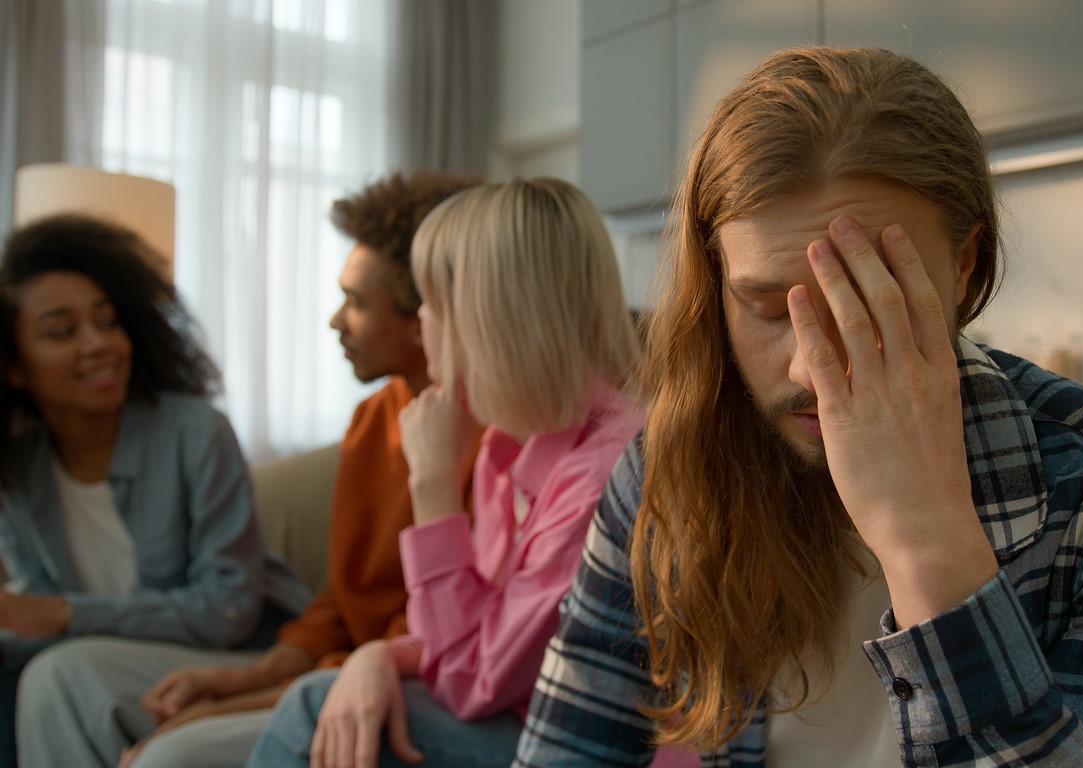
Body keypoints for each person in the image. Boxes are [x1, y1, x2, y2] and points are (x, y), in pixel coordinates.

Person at [513, 46, 1083, 767]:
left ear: (965, 261)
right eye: (765, 308)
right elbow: (565, 748)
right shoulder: (662, 471)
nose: (809, 369)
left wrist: (925, 539)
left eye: (864, 303)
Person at [15, 172, 484, 768]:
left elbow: (429, 631)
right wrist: (259, 677)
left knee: (169, 756)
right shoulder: (373, 420)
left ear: (425, 317)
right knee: (53, 676)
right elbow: (341, 600)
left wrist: (249, 696)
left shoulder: (486, 436)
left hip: (389, 680)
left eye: (357, 302)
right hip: (322, 666)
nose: (335, 321)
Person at [245, 177, 646, 768]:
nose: (420, 322)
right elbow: (473, 636)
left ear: (483, 320)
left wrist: (431, 486)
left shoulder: (605, 476)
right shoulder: (506, 445)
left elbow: (471, 679)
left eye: (429, 303)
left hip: (592, 747)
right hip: (514, 713)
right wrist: (379, 657)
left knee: (311, 710)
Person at [0, 213, 310, 768]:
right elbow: (34, 621)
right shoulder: (17, 472)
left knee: (57, 674)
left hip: (246, 656)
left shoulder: (195, 433)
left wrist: (66, 614)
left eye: (108, 321)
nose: (98, 344)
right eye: (62, 331)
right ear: (14, 368)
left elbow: (228, 609)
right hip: (112, 666)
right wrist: (42, 619)